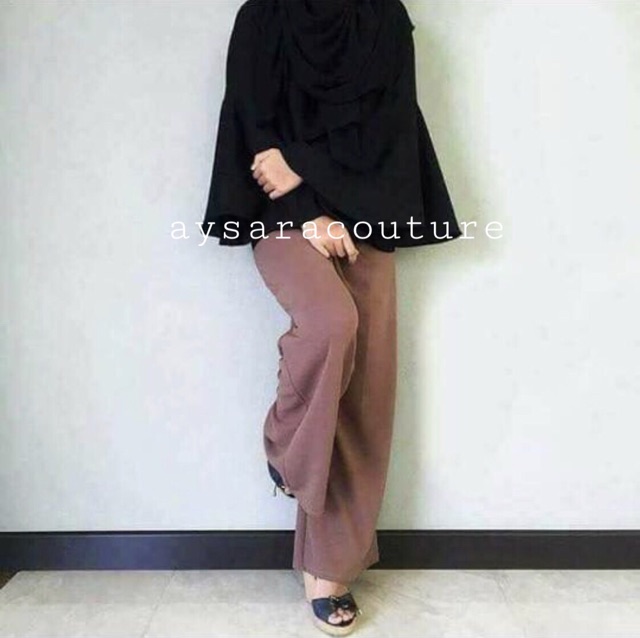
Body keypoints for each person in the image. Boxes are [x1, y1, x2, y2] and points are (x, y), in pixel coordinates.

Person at [200, 0, 462, 634]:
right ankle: (285, 445)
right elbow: (256, 130)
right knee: (329, 324)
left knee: (366, 393)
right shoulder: (264, 14)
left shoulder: (384, 16)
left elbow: (390, 123)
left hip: (371, 210)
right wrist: (309, 212)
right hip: (281, 214)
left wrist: (308, 170)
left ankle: (330, 571)